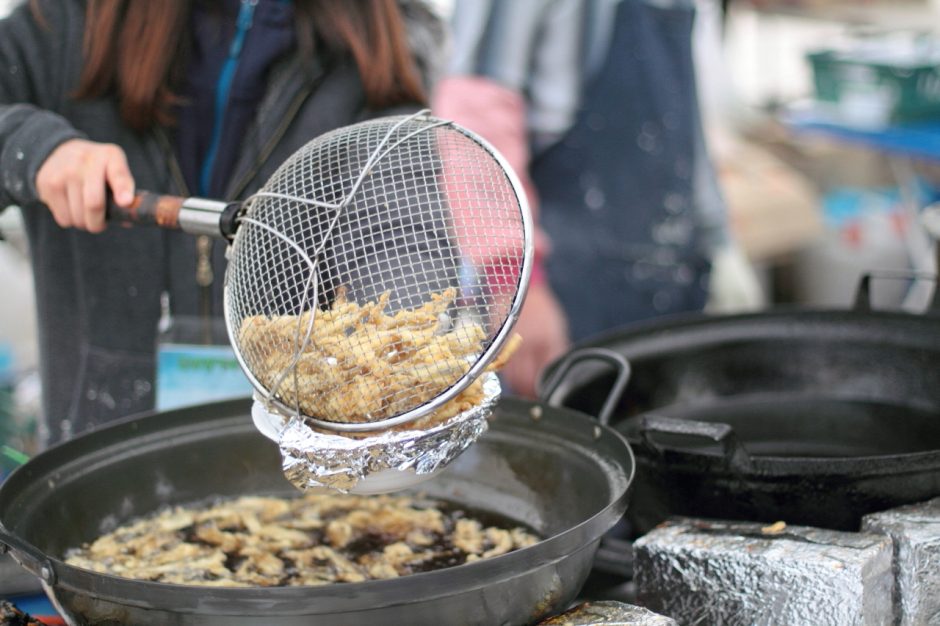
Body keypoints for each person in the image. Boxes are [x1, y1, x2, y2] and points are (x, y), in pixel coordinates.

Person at [0, 0, 442, 446]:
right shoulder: (67, 22)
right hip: (96, 444)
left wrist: (398, 352)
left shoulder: (370, 41)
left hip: (283, 460)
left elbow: (402, 237)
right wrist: (33, 146)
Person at [434, 0, 759, 397]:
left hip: (670, 295)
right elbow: (475, 119)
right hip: (563, 301)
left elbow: (686, 126)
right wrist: (516, 283)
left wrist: (719, 240)